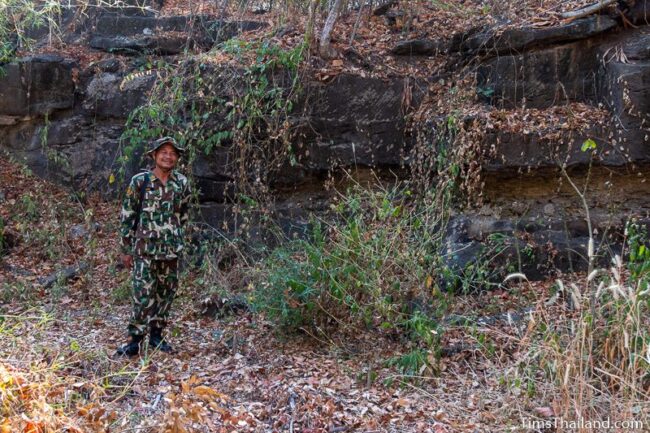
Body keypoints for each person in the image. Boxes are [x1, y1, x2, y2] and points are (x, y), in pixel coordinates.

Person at [116, 137, 191, 356]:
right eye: (164, 152)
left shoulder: (181, 183)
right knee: (143, 295)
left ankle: (157, 337)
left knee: (165, 295)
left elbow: (183, 214)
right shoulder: (140, 181)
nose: (168, 156)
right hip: (144, 251)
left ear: (176, 158)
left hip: (171, 251)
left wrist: (179, 239)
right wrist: (125, 249)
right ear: (154, 155)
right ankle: (134, 341)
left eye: (172, 153)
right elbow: (127, 216)